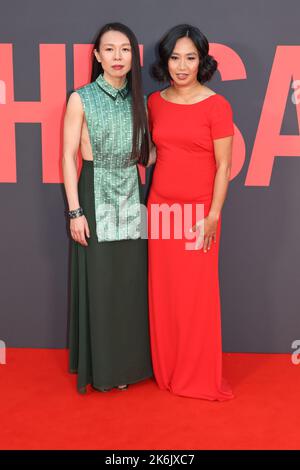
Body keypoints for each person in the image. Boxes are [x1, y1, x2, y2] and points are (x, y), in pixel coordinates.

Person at [62, 22, 153, 394]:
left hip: (132, 195)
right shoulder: (80, 98)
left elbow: (151, 153)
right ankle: (103, 367)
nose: (118, 56)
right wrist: (74, 211)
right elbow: (68, 157)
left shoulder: (141, 102)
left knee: (130, 283)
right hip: (93, 193)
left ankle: (131, 365)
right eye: (110, 49)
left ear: (134, 56)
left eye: (125, 49)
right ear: (97, 56)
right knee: (100, 282)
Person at [147, 24, 235, 400]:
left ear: (203, 61)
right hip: (161, 209)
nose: (182, 66)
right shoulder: (154, 101)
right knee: (164, 295)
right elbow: (152, 154)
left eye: (191, 58)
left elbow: (224, 166)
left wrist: (214, 214)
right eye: (175, 57)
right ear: (165, 61)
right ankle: (168, 370)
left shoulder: (217, 105)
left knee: (196, 297)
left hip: (199, 213)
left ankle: (197, 375)